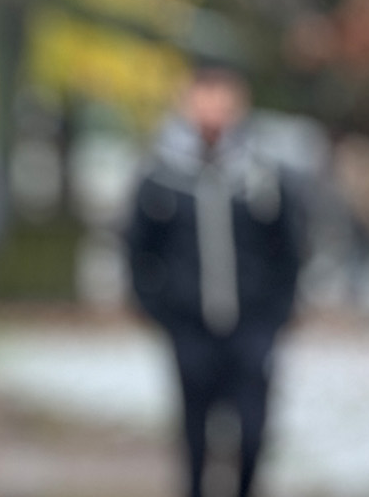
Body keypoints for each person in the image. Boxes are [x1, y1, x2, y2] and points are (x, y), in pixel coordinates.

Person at [126, 59, 303, 497]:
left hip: (251, 328)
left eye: (223, 95)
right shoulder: (163, 175)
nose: (214, 107)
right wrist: (161, 310)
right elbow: (138, 249)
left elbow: (289, 249)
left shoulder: (263, 174)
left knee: (252, 432)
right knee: (195, 437)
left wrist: (276, 314)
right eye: (205, 94)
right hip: (190, 328)